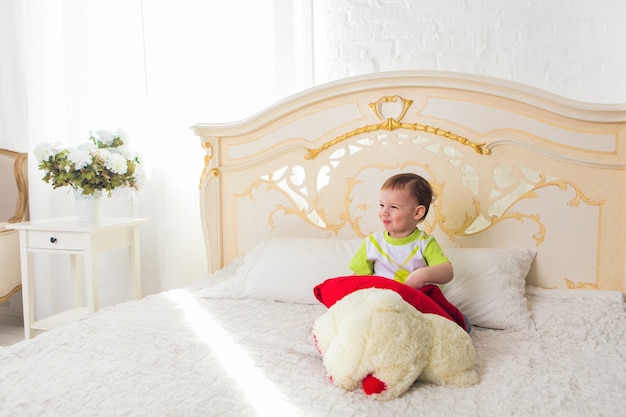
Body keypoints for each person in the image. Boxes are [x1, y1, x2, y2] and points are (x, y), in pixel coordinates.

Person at [348, 172, 453, 290]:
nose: (384, 212)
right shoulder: (372, 242)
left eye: (393, 207)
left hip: (412, 300)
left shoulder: (424, 243)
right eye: (382, 205)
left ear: (417, 213)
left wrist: (421, 275)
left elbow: (447, 272)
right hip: (381, 298)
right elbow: (357, 279)